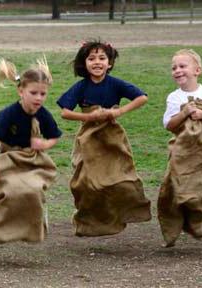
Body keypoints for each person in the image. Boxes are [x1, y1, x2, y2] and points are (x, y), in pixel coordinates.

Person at [56, 39, 151, 237]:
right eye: (92, 58)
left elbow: (142, 97)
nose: (97, 62)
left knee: (121, 178)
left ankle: (125, 212)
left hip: (111, 137)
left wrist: (119, 111)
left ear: (109, 63)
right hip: (88, 137)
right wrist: (88, 116)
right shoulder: (81, 87)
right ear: (85, 63)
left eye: (102, 58)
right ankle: (87, 223)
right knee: (83, 182)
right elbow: (65, 112)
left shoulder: (115, 84)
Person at [0, 58, 61, 246]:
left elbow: (54, 136)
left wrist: (43, 145)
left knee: (32, 190)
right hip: (9, 158)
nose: (38, 98)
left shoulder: (43, 114)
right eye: (33, 93)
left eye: (43, 94)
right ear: (21, 91)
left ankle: (34, 229)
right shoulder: (10, 113)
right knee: (11, 190)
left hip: (34, 161)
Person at [158, 49, 202, 247]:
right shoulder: (174, 97)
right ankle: (173, 228)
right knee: (178, 190)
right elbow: (169, 125)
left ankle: (196, 219)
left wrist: (201, 114)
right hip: (181, 151)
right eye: (174, 68)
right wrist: (184, 113)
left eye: (182, 66)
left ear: (197, 70)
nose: (177, 70)